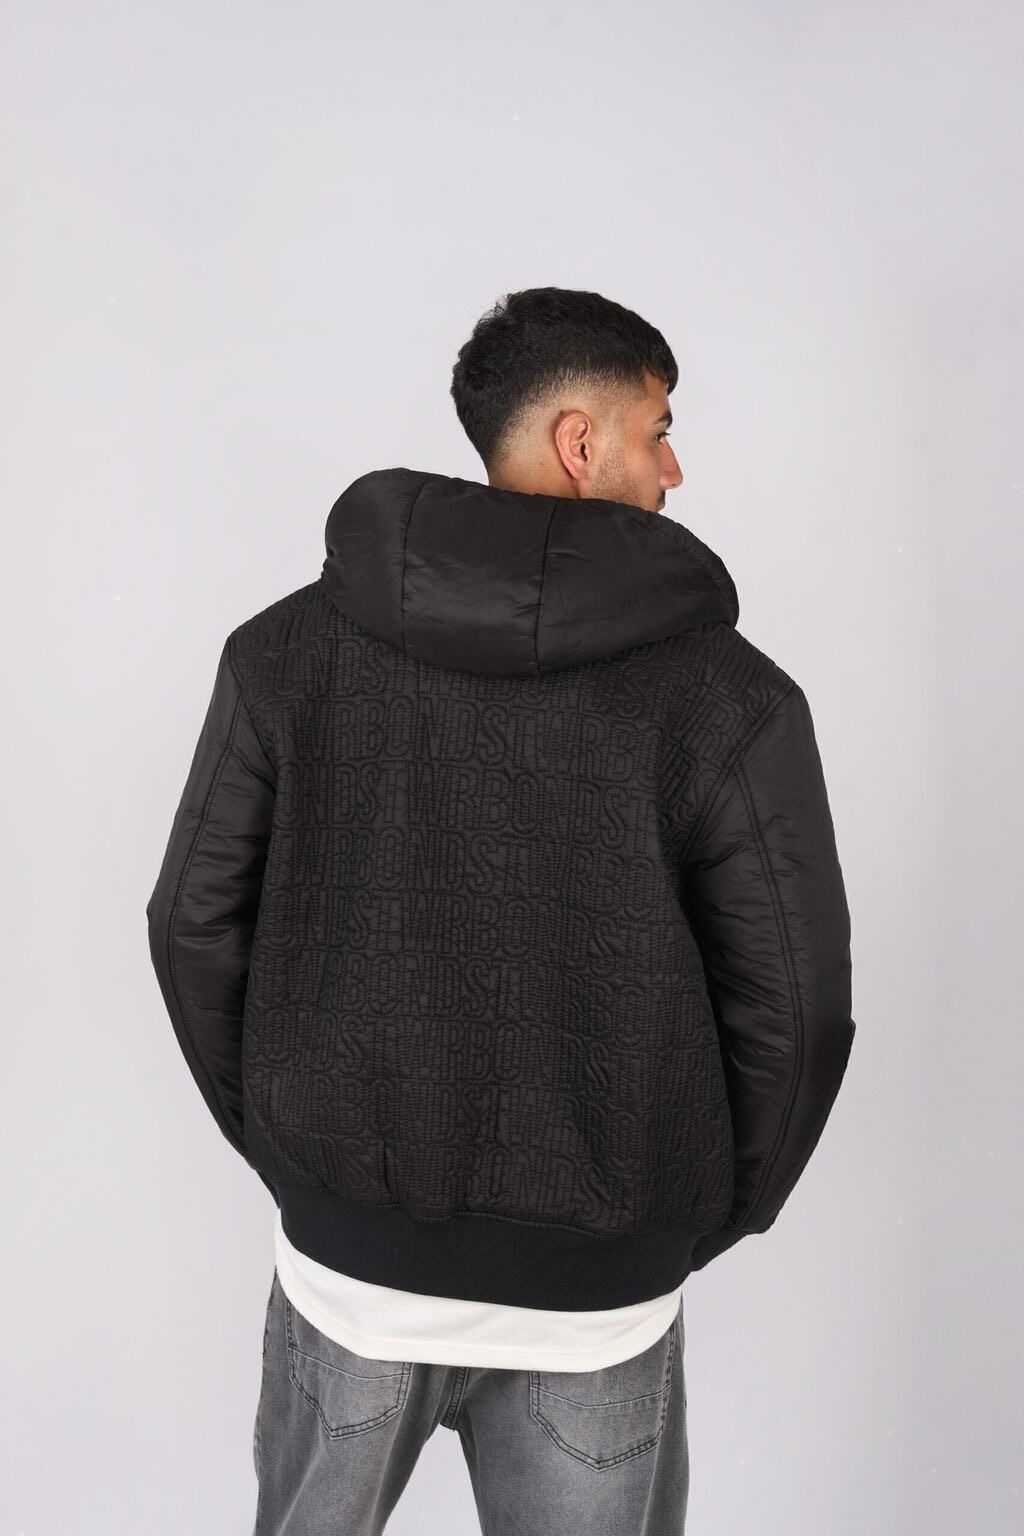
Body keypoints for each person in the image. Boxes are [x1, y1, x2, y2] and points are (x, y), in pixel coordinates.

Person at [145, 285, 856, 1535]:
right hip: (598, 1301)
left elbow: (191, 925)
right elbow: (795, 1007)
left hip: (350, 1282)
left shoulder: (283, 653)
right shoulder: (731, 699)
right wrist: (687, 1215)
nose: (675, 467)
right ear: (580, 443)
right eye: (658, 430)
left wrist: (304, 1151)